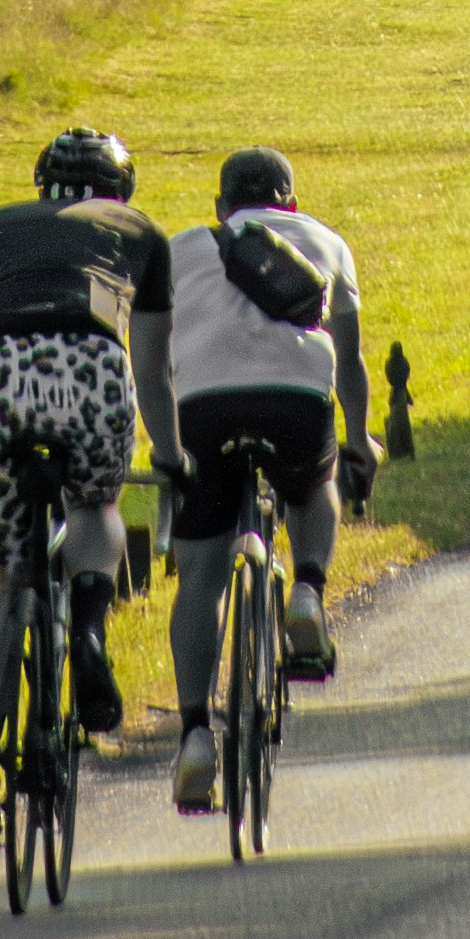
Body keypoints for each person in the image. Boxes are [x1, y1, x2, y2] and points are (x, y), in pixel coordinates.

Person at [0, 120, 166, 844]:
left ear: (42, 185)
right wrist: (168, 453)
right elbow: (153, 367)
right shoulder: (138, 232)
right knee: (97, 502)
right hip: (91, 368)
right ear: (120, 189)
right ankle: (92, 634)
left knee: (1, 582)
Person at [142, 148, 374, 816]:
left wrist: (167, 444)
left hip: (202, 412)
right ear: (290, 203)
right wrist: (358, 441)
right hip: (295, 400)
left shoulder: (182, 248)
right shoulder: (326, 240)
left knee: (202, 579)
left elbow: (151, 360)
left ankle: (193, 733)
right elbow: (350, 359)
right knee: (312, 481)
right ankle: (307, 587)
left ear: (220, 208)